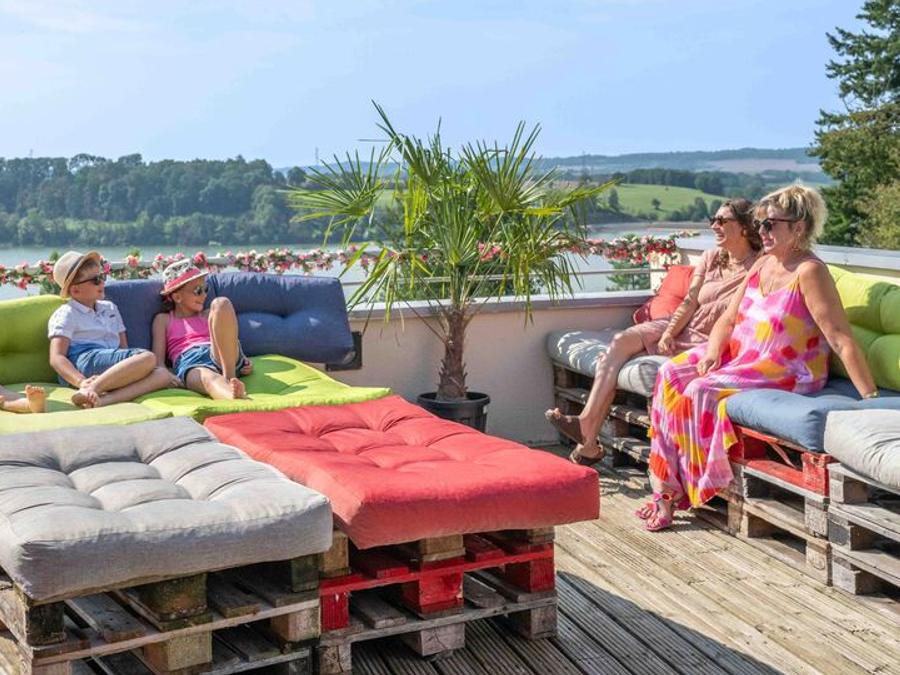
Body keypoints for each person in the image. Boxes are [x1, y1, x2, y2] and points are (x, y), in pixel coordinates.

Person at [642, 185, 877, 531]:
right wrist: (712, 352)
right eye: (760, 224)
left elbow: (840, 338)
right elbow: (728, 319)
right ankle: (664, 485)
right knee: (670, 374)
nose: (761, 231)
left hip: (787, 369)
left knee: (700, 390)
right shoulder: (763, 263)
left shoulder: (809, 272)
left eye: (770, 225)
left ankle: (688, 488)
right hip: (742, 356)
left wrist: (869, 398)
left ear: (799, 227)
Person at [546, 199, 763, 465]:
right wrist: (669, 332)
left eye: (722, 221)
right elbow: (689, 301)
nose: (714, 226)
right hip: (686, 323)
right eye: (712, 220)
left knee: (621, 357)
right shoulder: (711, 257)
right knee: (621, 340)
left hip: (710, 337)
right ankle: (587, 427)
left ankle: (588, 441)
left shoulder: (760, 264)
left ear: (744, 227)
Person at [48, 251, 176, 408]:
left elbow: (123, 347)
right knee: (148, 357)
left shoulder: (110, 308)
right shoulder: (67, 313)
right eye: (96, 280)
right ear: (75, 290)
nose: (102, 283)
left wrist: (132, 370)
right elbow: (57, 357)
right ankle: (90, 388)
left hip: (110, 364)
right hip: (84, 362)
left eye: (102, 277)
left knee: (163, 375)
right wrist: (80, 381)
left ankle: (102, 400)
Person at [152, 260, 252, 400]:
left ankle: (230, 378)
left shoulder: (209, 314)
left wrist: (244, 359)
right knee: (208, 379)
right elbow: (159, 361)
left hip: (221, 355)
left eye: (205, 289)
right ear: (177, 297)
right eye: (197, 291)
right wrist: (168, 376)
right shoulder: (163, 320)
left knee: (221, 303)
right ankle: (232, 395)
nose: (204, 295)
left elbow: (227, 337)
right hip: (191, 362)